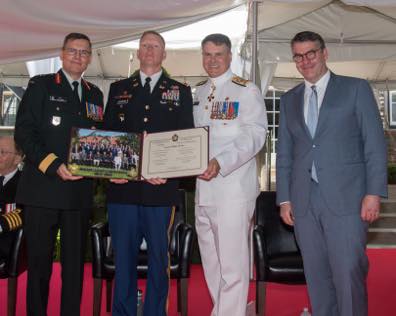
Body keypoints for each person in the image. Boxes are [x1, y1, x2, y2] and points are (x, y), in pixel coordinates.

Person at [276, 31, 387, 316]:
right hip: (303, 202)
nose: (305, 60)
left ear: (325, 53)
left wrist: (374, 193)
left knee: (348, 272)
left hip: (348, 199)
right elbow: (286, 153)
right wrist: (284, 199)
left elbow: (374, 145)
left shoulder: (355, 88)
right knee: (317, 276)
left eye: (311, 53)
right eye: (299, 56)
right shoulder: (288, 100)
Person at [103, 30, 194, 316]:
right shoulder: (118, 89)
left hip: (160, 190)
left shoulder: (180, 91)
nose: (150, 50)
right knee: (124, 259)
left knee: (158, 259)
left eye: (155, 46)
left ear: (164, 54)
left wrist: (168, 172)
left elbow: (185, 138)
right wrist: (110, 171)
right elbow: (108, 137)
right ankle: (124, 312)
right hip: (123, 189)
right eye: (145, 46)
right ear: (138, 53)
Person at [14, 32, 104, 316]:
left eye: (84, 52)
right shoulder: (40, 86)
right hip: (43, 188)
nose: (79, 57)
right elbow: (25, 134)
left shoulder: (94, 94)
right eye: (73, 51)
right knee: (39, 264)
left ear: (90, 57)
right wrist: (54, 165)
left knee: (75, 268)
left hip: (78, 193)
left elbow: (100, 140)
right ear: (62, 54)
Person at [193, 33, 267, 316]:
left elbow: (255, 135)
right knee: (212, 262)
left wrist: (221, 162)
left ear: (230, 56)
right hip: (203, 190)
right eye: (207, 54)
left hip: (232, 189)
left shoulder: (245, 90)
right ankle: (226, 311)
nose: (212, 60)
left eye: (218, 54)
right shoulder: (199, 92)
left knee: (233, 265)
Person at [0, 136, 23, 257]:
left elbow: (24, 213)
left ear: (17, 159)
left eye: (2, 152)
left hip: (6, 244)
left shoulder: (25, 184)